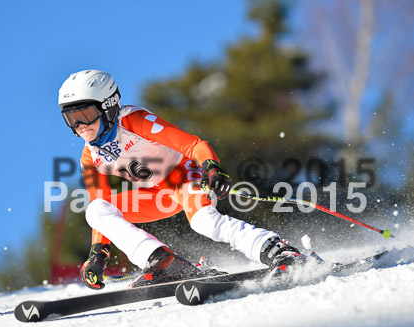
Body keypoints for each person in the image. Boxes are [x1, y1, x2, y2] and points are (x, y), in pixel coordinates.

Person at [57, 69, 307, 289]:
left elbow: (193, 144)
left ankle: (278, 251)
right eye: (71, 118)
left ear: (108, 105)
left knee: (204, 223)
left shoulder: (134, 122)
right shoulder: (90, 155)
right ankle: (161, 261)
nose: (79, 125)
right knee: (95, 210)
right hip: (156, 195)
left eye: (86, 114)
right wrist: (98, 253)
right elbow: (103, 206)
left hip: (184, 176)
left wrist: (212, 167)